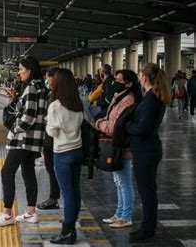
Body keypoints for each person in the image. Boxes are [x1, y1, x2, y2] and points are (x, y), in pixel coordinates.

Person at [0, 56, 46, 227]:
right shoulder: (40, 87)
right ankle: (30, 212)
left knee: (7, 171)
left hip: (23, 139)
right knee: (28, 173)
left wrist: (14, 128)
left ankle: (7, 213)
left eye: (22, 69)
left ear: (29, 70)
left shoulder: (30, 88)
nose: (19, 72)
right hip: (34, 140)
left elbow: (28, 117)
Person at [125, 63, 169, 243]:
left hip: (146, 150)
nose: (138, 77)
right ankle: (147, 226)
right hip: (149, 149)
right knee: (148, 190)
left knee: (147, 191)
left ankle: (148, 228)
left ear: (144, 77)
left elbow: (143, 128)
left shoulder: (151, 100)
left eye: (140, 74)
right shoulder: (152, 97)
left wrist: (127, 126)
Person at [95, 70, 142, 228]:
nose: (115, 82)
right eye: (115, 79)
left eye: (119, 80)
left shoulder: (127, 100)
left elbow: (113, 125)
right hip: (117, 145)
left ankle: (126, 216)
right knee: (119, 181)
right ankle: (119, 213)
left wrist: (99, 123)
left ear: (129, 84)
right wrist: (104, 121)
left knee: (124, 182)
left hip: (123, 147)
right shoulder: (119, 97)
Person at [46, 68, 84, 244]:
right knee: (75, 191)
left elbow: (52, 132)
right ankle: (72, 229)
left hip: (62, 153)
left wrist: (48, 122)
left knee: (67, 194)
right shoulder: (77, 104)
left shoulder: (55, 106)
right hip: (77, 150)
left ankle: (67, 230)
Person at [36, 67, 60, 210]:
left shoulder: (56, 97)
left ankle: (53, 198)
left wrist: (46, 120)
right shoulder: (53, 94)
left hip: (53, 140)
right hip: (52, 141)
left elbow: (52, 121)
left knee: (53, 170)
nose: (46, 80)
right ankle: (53, 197)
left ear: (53, 78)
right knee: (52, 170)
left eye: (48, 77)